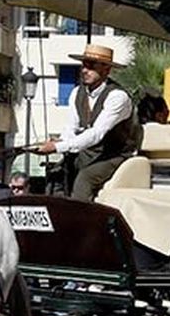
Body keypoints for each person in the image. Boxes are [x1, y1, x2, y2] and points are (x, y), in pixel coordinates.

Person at [34, 44, 136, 201]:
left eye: (91, 66)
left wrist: (56, 147)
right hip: (87, 153)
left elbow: (97, 133)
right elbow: (71, 127)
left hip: (116, 155)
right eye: (84, 65)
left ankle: (81, 221)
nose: (84, 70)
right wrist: (60, 141)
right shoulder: (76, 92)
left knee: (85, 178)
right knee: (56, 174)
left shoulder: (117, 96)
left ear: (106, 70)